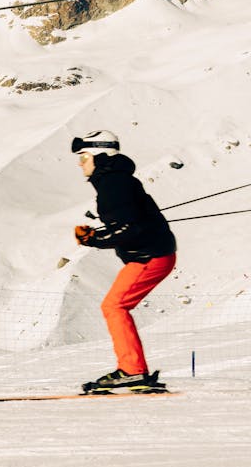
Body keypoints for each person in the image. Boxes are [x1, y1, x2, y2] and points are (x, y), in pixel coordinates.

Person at [73, 129, 177, 392]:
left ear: (99, 156)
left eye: (83, 157)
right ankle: (133, 370)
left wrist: (93, 240)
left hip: (149, 256)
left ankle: (132, 370)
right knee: (114, 306)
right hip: (151, 253)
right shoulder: (114, 181)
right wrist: (96, 235)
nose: (79, 163)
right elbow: (126, 225)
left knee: (114, 306)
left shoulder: (112, 184)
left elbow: (129, 229)